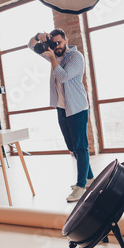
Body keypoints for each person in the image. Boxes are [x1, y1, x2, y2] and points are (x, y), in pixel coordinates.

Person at [28, 28, 94, 202]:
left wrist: (51, 58)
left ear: (66, 40)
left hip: (77, 108)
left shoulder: (75, 57)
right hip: (62, 108)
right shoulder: (53, 54)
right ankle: (89, 178)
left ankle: (81, 186)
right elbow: (30, 45)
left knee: (81, 147)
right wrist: (38, 37)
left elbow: (63, 77)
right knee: (72, 147)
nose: (56, 46)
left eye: (59, 42)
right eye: (53, 43)